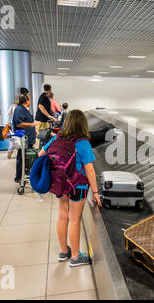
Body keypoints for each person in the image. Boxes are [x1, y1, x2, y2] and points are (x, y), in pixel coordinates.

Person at [39, 110, 102, 267]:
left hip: (60, 184)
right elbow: (89, 170)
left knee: (62, 216)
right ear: (82, 125)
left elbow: (41, 154)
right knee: (74, 219)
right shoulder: (83, 143)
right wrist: (95, 192)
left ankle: (63, 251)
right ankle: (75, 257)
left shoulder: (56, 138)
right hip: (77, 186)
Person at [13, 94, 37, 183]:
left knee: (27, 157)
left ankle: (25, 175)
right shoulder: (19, 109)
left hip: (29, 137)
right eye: (29, 99)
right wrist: (32, 124)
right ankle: (18, 177)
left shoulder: (24, 109)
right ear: (26, 101)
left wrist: (34, 130)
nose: (30, 101)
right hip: (23, 138)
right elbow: (19, 124)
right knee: (21, 157)